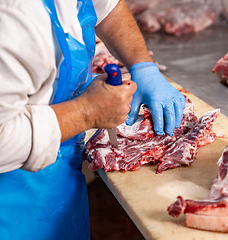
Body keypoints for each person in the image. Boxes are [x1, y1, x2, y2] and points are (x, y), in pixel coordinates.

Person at [0, 0, 185, 239]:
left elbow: (107, 7)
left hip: (57, 180)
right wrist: (86, 112)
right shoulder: (13, 18)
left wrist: (142, 64)